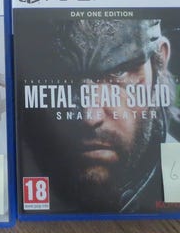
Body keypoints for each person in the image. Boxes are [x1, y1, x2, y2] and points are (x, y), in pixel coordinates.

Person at [17, 17, 179, 213]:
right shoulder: (18, 164)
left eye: (119, 72)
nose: (89, 117)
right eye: (60, 74)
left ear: (159, 62)